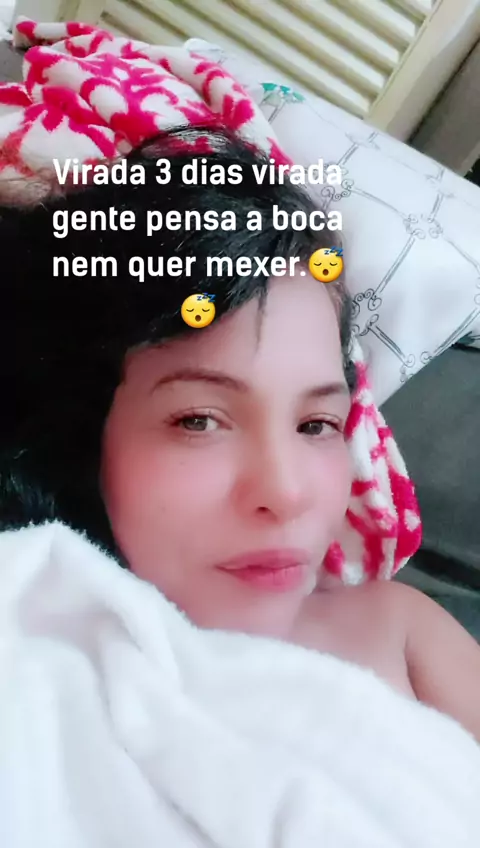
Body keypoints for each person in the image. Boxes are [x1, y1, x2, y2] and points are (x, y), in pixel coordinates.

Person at [1, 128, 479, 742]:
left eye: (316, 425)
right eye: (199, 421)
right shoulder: (35, 670)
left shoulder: (398, 631)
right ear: (80, 437)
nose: (286, 493)